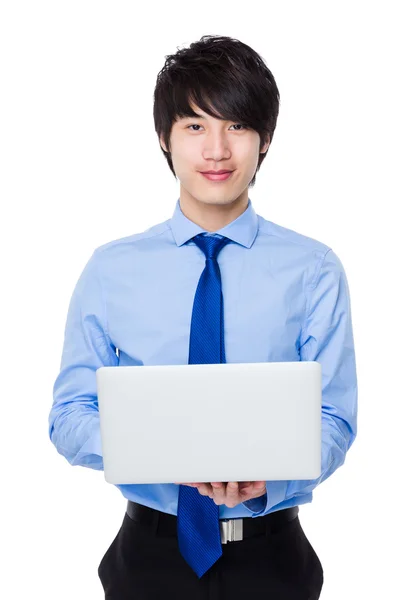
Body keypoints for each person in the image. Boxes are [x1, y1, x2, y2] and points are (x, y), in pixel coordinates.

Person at [48, 34, 358, 599]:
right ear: (165, 139)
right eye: (194, 126)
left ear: (264, 140)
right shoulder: (112, 270)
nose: (216, 150)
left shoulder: (313, 269)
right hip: (147, 556)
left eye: (236, 125)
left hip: (273, 558)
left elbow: (335, 418)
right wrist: (162, 453)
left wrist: (274, 477)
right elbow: (69, 417)